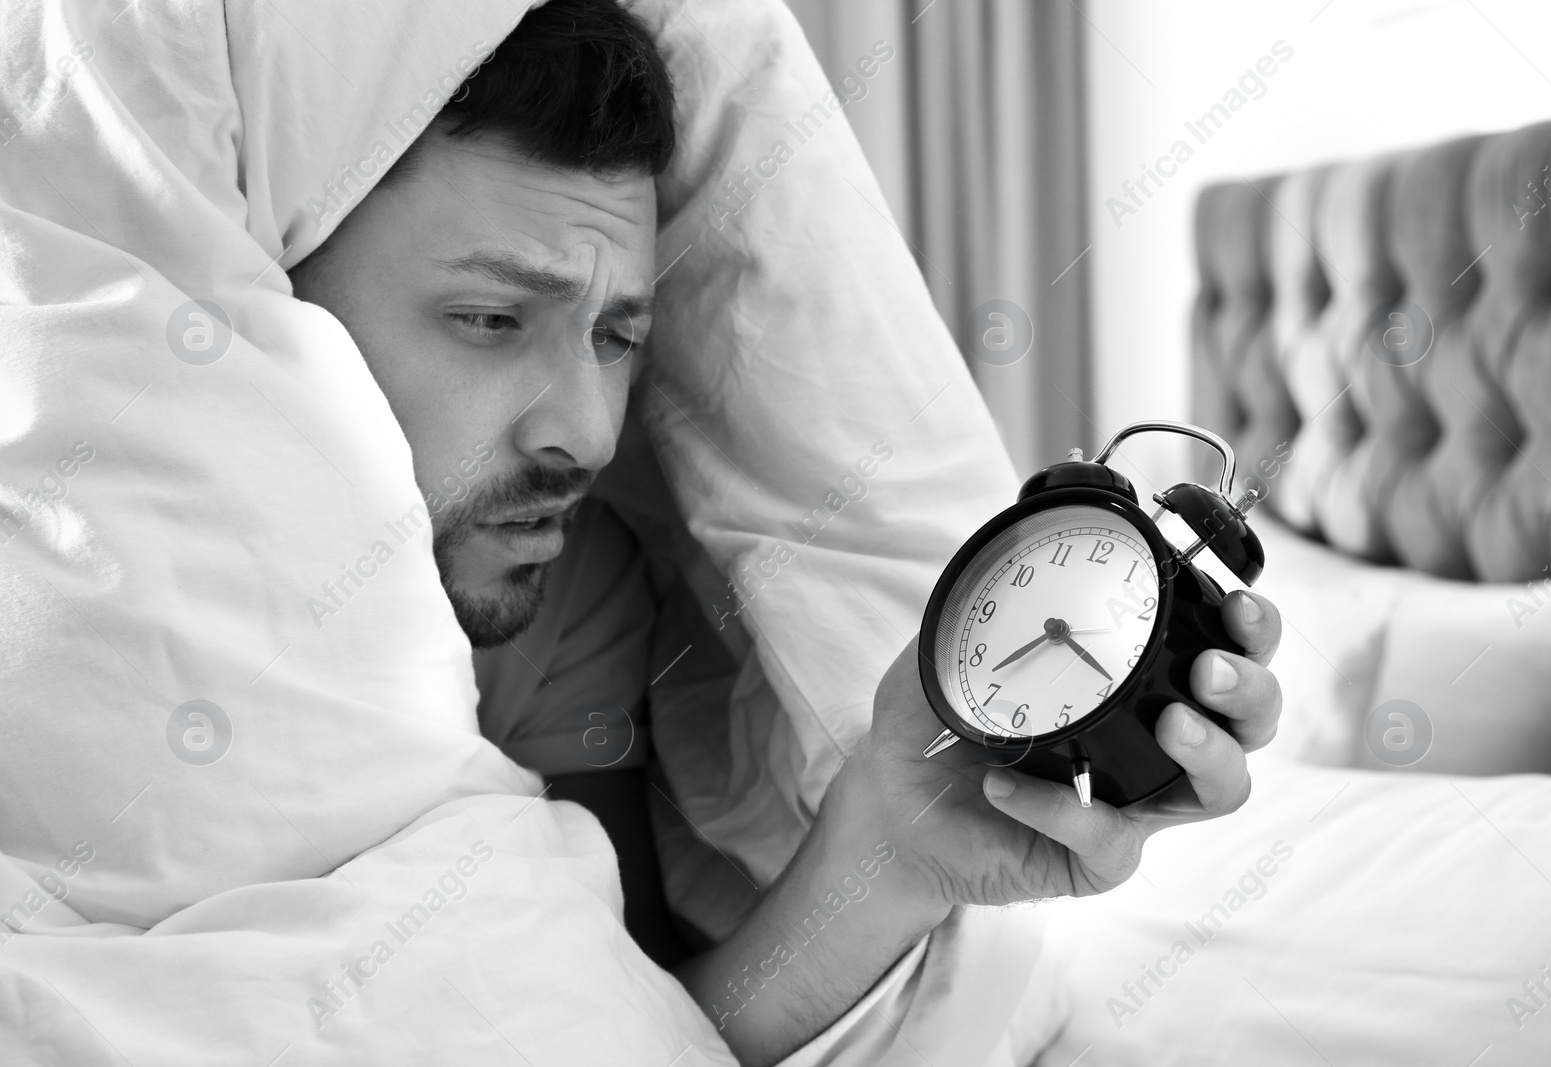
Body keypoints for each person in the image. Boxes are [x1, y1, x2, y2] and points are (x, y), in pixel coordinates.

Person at [287, 1, 1284, 1063]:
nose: (582, 432)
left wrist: (891, 843)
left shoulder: (575, 591)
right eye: (491, 319)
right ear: (282, 298)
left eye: (618, 335)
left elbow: (641, 1029)